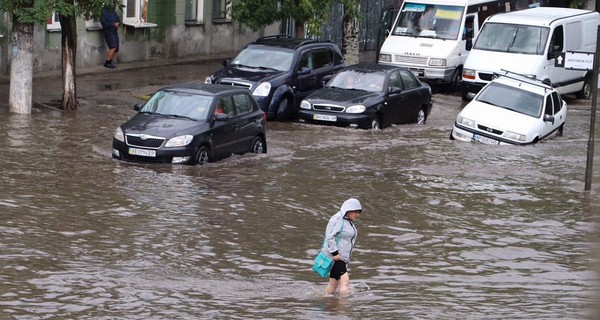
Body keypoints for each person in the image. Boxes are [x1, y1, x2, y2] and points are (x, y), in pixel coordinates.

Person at [321, 197, 362, 296]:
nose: (357, 215)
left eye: (359, 212)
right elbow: (330, 236)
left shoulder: (347, 220)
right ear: (348, 210)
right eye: (355, 212)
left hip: (341, 258)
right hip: (336, 257)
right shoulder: (338, 218)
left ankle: (324, 303)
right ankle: (343, 309)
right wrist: (335, 254)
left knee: (333, 286)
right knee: (345, 282)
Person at [101, 5, 121, 69]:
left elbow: (118, 19)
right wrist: (113, 24)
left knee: (116, 49)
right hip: (108, 31)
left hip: (114, 31)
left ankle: (110, 62)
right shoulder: (103, 11)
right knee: (113, 47)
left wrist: (118, 23)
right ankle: (107, 63)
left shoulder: (113, 10)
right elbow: (104, 23)